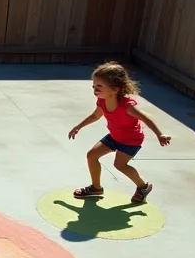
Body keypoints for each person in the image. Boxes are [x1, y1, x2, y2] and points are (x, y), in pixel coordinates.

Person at [68, 61, 171, 202]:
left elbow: (146, 119)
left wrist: (160, 134)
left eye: (99, 86)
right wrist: (78, 126)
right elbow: (95, 116)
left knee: (120, 165)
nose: (95, 89)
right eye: (94, 86)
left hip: (130, 141)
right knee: (92, 155)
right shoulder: (102, 101)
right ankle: (96, 188)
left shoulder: (127, 106)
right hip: (114, 136)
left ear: (115, 89)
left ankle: (143, 186)